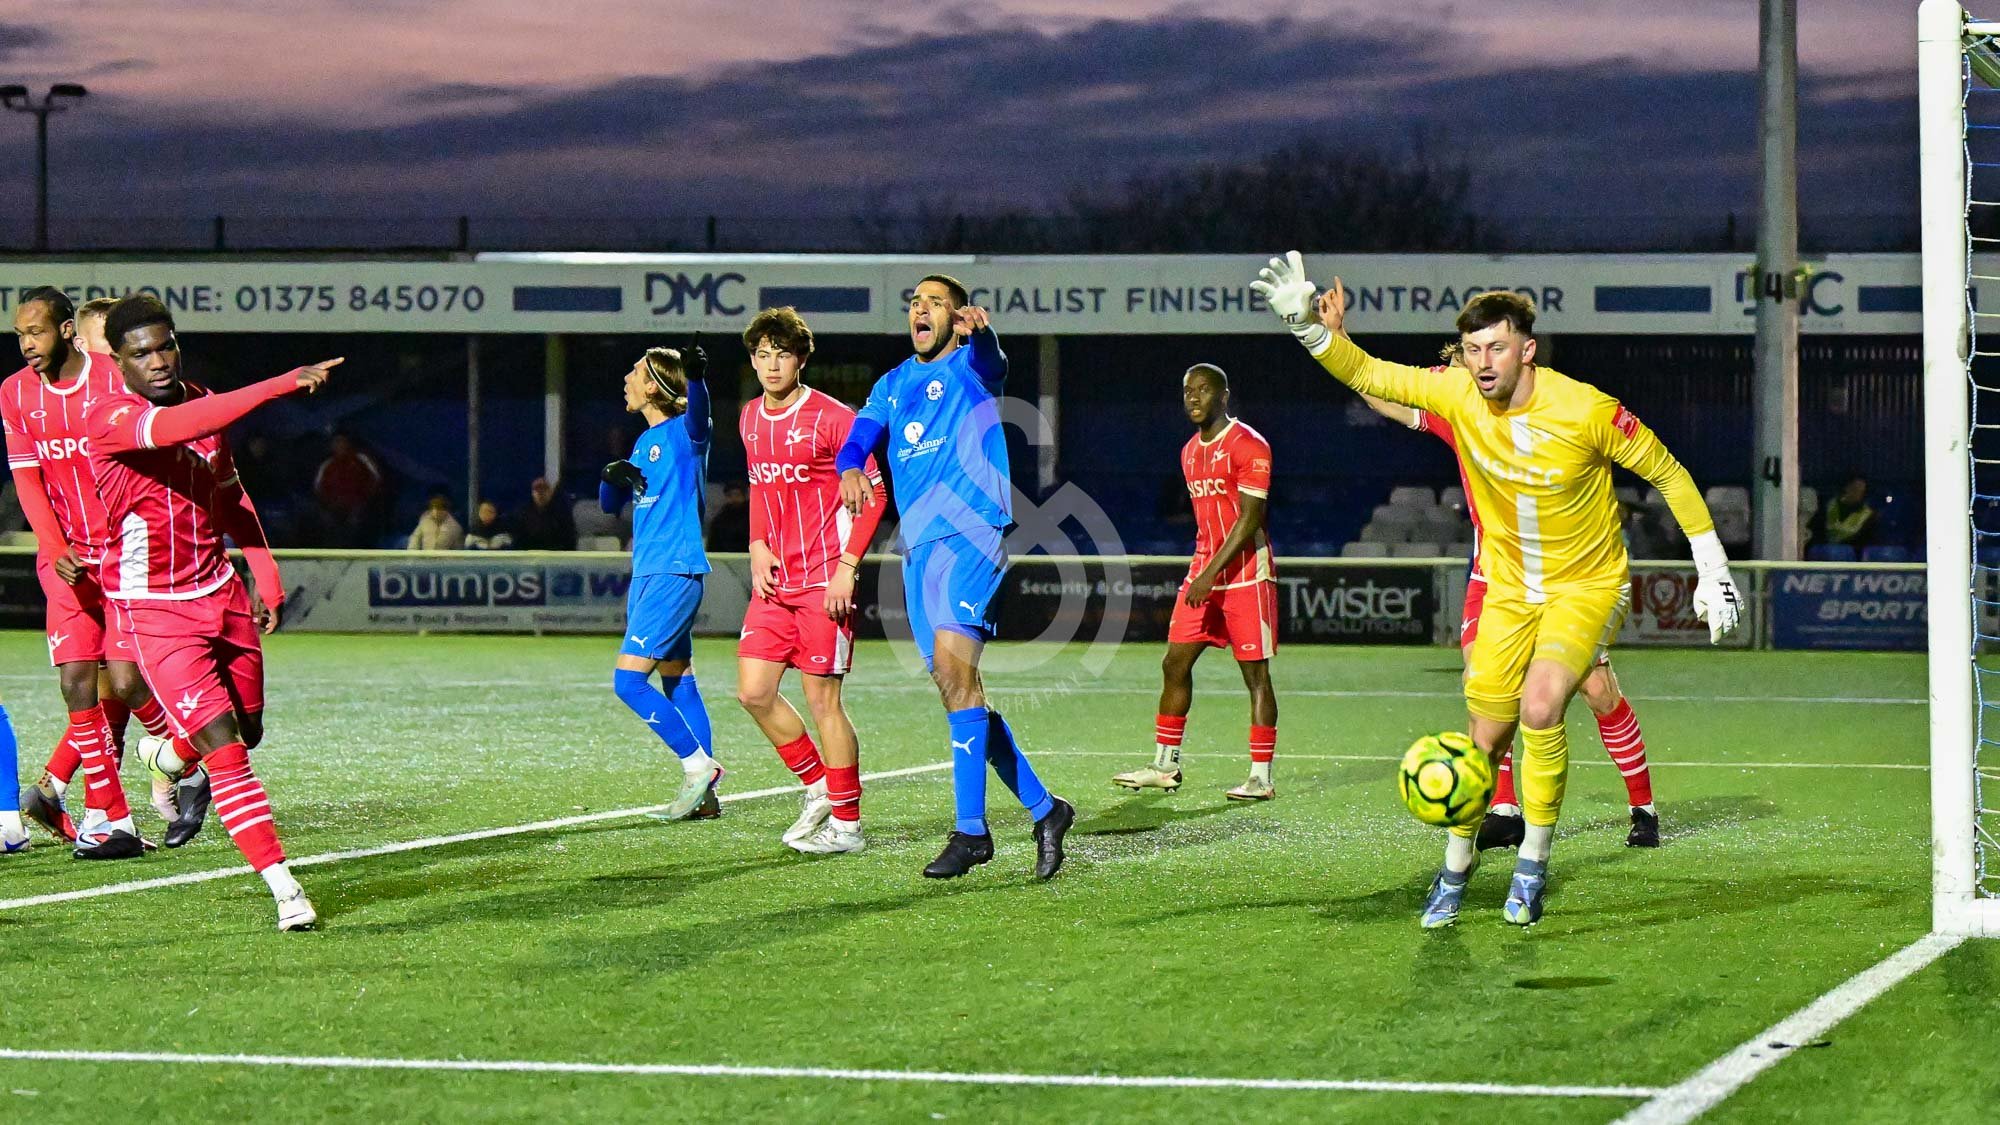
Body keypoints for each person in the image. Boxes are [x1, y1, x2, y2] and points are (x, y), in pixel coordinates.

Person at [1253, 253, 1740, 927]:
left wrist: (1713, 566)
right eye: (1474, 349)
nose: (1483, 362)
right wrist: (1305, 327)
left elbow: (1670, 472)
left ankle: (1534, 866)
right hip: (1506, 586)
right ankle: (1456, 869)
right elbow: (1369, 375)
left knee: (1543, 706)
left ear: (1526, 349)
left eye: (1497, 348)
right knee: (1482, 736)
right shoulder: (1456, 395)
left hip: (1586, 584)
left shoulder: (1585, 408)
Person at [1354, 341, 1660, 849]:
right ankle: (1504, 808)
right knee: (1486, 692)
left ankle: (1642, 807)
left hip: (1561, 581)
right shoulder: (1456, 418)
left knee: (1598, 692)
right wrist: (1334, 342)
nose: (1472, 376)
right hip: (1492, 580)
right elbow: (1379, 393)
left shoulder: (1544, 415)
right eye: (1463, 366)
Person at [87, 293, 332, 929]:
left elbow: (230, 495)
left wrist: (267, 574)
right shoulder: (111, 415)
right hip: (155, 611)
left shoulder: (200, 397)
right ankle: (285, 889)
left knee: (246, 729)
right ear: (119, 362)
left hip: (221, 594)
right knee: (227, 748)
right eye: (141, 353)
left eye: (166, 345)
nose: (158, 360)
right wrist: (283, 382)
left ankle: (169, 757)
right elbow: (182, 427)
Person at [835, 274, 1075, 880]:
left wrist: (986, 332)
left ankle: (971, 833)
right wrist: (850, 467)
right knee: (956, 689)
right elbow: (860, 436)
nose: (921, 310)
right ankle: (1047, 811)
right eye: (915, 303)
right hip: (919, 549)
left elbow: (995, 361)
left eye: (935, 303)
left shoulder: (972, 364)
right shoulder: (892, 384)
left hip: (971, 531)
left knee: (955, 671)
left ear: (956, 316)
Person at [6, 287, 208, 857]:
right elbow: (28, 479)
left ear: (68, 331)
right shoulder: (16, 394)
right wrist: (53, 544)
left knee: (123, 683)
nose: (25, 346)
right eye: (19, 335)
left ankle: (178, 756)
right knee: (77, 681)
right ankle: (109, 818)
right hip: (64, 558)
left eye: (35, 333)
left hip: (124, 554)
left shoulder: (113, 382)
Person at [735, 307, 887, 854]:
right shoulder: (750, 416)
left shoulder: (833, 417)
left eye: (782, 354)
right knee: (753, 693)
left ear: (800, 358)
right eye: (762, 355)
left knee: (824, 703)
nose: (771, 365)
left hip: (827, 581)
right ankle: (818, 787)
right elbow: (758, 487)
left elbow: (875, 493)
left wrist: (847, 570)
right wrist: (756, 546)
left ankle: (848, 828)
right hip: (776, 582)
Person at [1112, 364, 1280, 801]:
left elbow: (1249, 520)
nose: (1193, 397)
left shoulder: (1249, 445)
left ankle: (1260, 776)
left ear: (1224, 396)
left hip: (1245, 576)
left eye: (1203, 390)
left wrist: (1209, 574)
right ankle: (1165, 765)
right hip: (1203, 572)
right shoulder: (1188, 451)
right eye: (1187, 390)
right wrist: (1202, 572)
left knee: (1255, 676)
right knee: (1174, 663)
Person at [601, 344, 722, 821]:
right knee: (678, 679)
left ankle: (698, 767)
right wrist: (612, 479)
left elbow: (700, 415)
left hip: (673, 570)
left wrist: (696, 379)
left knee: (629, 682)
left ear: (653, 384)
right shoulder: (641, 443)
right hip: (651, 571)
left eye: (634, 372)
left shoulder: (686, 433)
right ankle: (706, 799)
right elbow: (610, 508)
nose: (626, 379)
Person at [313, 432, 382, 547]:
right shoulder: (328, 465)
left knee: (357, 534)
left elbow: (375, 481)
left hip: (359, 510)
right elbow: (318, 489)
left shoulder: (361, 460)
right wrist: (329, 507)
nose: (339, 445)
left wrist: (362, 504)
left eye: (342, 442)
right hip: (334, 511)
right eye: (336, 443)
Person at [512, 476, 576, 551]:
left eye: (544, 490)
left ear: (550, 493)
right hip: (530, 556)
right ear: (532, 493)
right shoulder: (523, 513)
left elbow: (569, 539)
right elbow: (518, 540)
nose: (541, 494)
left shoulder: (562, 513)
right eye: (537, 490)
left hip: (555, 556)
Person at [1815, 475, 1878, 549]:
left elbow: (1865, 542)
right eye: (1854, 489)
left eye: (1861, 491)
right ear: (1846, 488)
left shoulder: (1869, 515)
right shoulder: (1827, 506)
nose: (1857, 493)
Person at [705, 481, 752, 551]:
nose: (734, 499)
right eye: (730, 496)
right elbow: (712, 545)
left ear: (744, 496)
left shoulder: (753, 519)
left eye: (737, 495)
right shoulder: (719, 520)